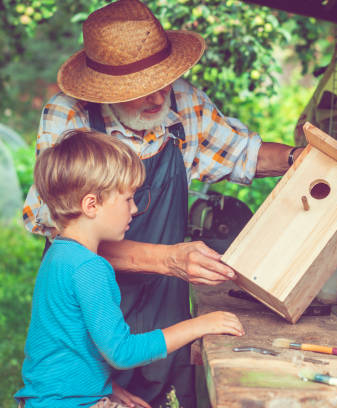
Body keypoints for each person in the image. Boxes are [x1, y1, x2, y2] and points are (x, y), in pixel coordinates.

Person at [21, 0, 304, 406]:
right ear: (105, 90)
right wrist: (170, 259)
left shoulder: (182, 101)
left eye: (165, 80)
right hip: (98, 304)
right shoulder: (69, 118)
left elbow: (242, 153)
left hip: (158, 310)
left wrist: (302, 159)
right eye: (140, 89)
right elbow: (57, 220)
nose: (159, 97)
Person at [15, 130, 245, 408]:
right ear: (91, 205)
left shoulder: (58, 256)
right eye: (127, 199)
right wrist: (200, 325)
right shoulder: (91, 268)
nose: (134, 209)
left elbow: (61, 344)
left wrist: (106, 387)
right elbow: (122, 353)